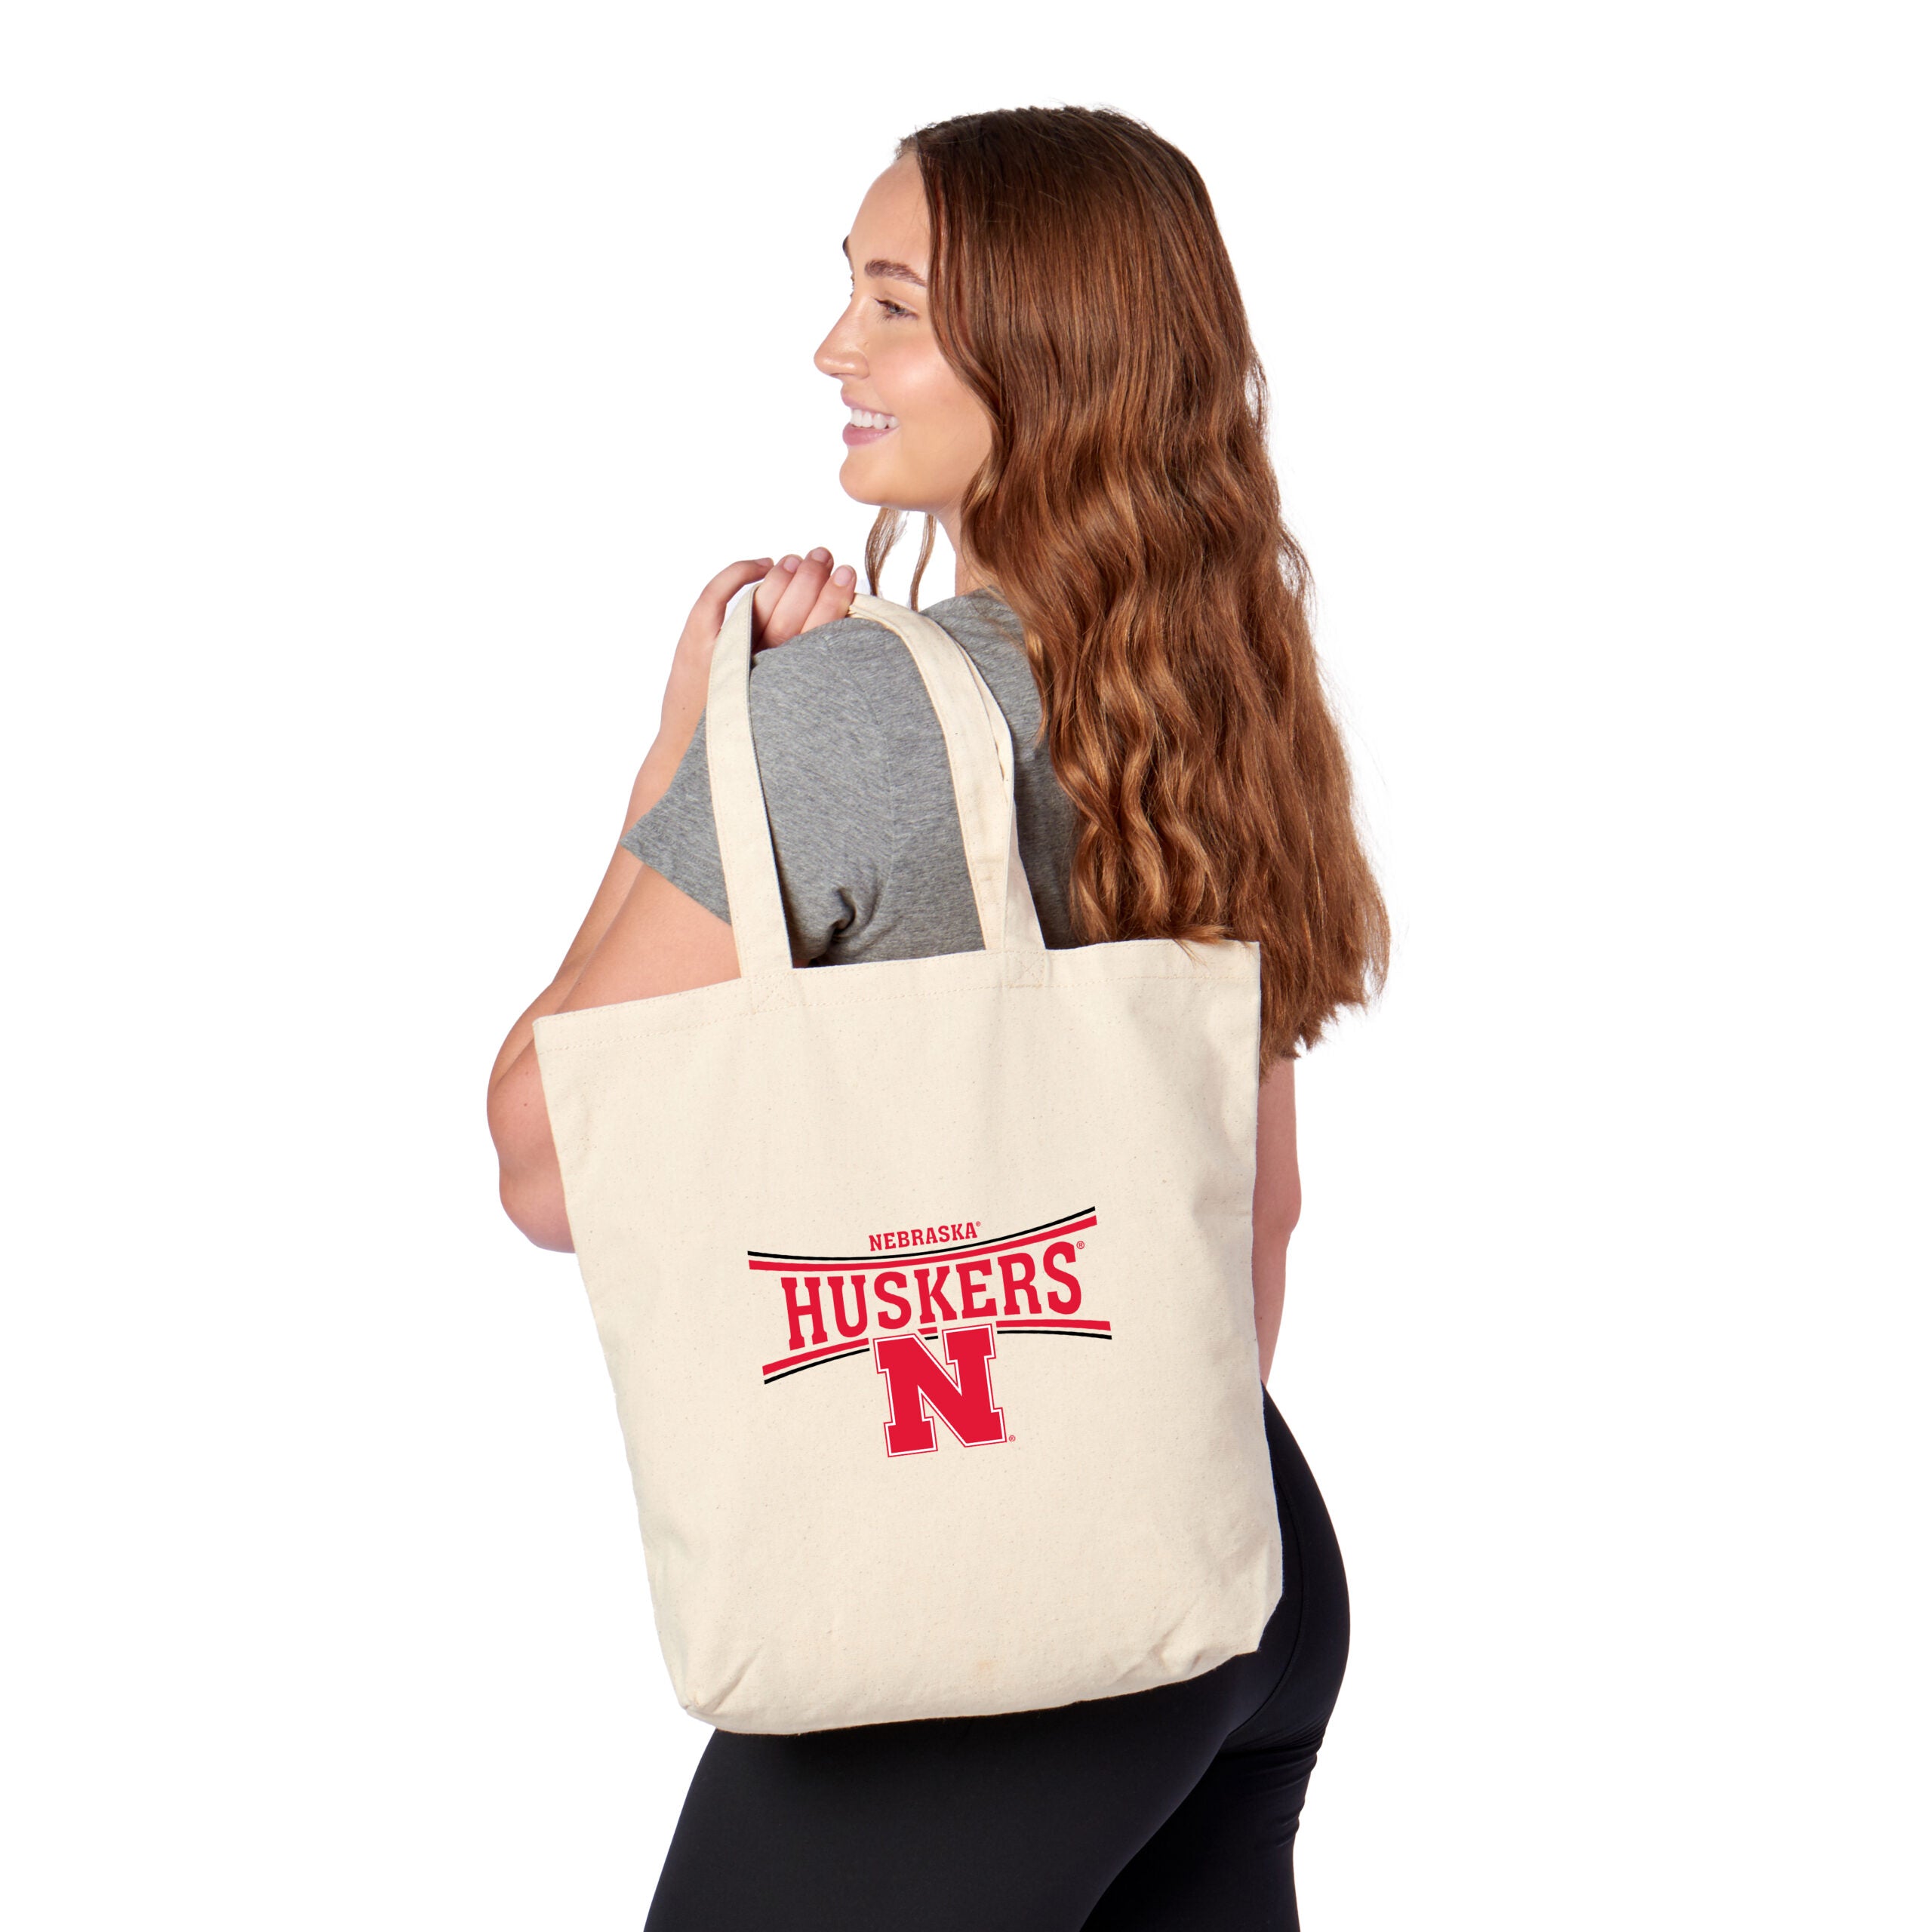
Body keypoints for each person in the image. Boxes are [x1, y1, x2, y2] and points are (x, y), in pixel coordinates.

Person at [488, 105, 1387, 1932]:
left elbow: (546, 1158)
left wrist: (682, 756)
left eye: (893, 306)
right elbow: (1257, 1213)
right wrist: (1127, 1501)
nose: (836, 347)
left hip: (981, 1629)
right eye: (849, 290)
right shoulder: (1223, 698)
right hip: (1236, 1561)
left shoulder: (844, 718)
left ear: (1044, 355)